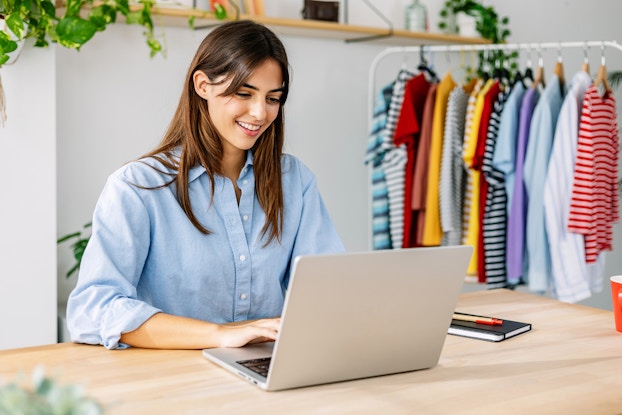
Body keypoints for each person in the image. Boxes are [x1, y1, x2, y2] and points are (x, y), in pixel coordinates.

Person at [66, 20, 344, 350]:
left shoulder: (294, 180)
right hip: (172, 380)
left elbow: (328, 290)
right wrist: (219, 334)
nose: (259, 113)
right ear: (202, 85)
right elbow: (92, 309)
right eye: (244, 93)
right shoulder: (139, 187)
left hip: (268, 370)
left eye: (273, 98)